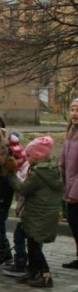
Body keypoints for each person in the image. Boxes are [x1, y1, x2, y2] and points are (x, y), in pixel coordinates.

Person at [6, 137, 63, 287]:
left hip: (38, 215)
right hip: (44, 214)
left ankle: (45, 274)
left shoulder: (38, 174)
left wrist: (11, 173)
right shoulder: (52, 169)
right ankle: (33, 271)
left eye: (29, 155)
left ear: (37, 156)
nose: (27, 158)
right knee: (32, 243)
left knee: (35, 246)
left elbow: (23, 189)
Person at [0, 117, 26, 268]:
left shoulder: (8, 147)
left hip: (2, 189)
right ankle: (1, 251)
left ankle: (1, 252)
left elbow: (7, 165)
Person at [60, 98, 78, 269]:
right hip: (69, 186)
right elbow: (64, 160)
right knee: (73, 222)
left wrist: (74, 192)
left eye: (77, 110)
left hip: (76, 190)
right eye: (72, 110)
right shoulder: (71, 132)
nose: (74, 113)